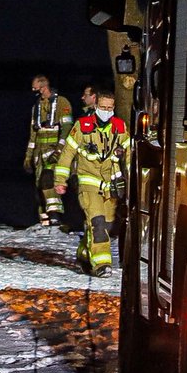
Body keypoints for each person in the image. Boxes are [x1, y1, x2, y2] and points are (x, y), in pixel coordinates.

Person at [55, 91, 129, 277]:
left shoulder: (120, 127)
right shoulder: (82, 126)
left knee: (108, 226)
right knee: (97, 222)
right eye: (103, 107)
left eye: (110, 108)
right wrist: (60, 180)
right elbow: (67, 154)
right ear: (96, 107)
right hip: (88, 183)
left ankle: (84, 252)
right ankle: (102, 265)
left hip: (111, 186)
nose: (106, 111)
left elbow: (129, 155)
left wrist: (131, 181)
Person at [24, 74, 73, 227]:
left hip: (53, 151)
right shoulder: (37, 106)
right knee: (39, 187)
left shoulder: (62, 103)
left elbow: (67, 129)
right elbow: (33, 134)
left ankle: (55, 217)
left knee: (49, 181)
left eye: (35, 89)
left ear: (43, 87)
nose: (34, 92)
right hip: (39, 153)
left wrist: (59, 151)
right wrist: (28, 157)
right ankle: (44, 221)